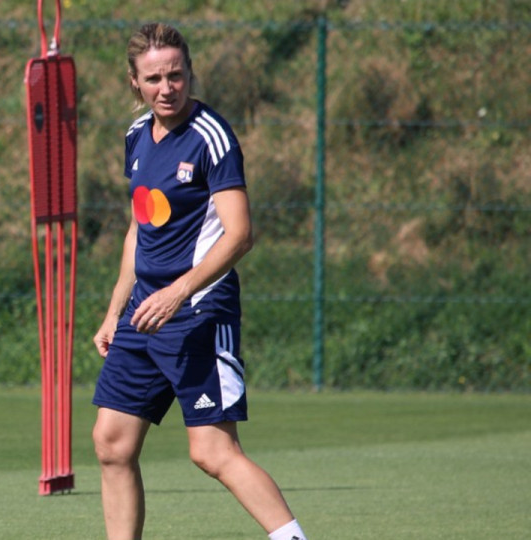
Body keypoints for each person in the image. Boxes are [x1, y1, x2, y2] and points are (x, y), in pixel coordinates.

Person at [91, 23, 308, 540]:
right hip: (145, 311)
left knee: (212, 452)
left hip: (198, 311)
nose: (167, 87)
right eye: (154, 78)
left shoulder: (212, 136)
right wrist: (114, 309)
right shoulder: (136, 136)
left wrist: (178, 291)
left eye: (175, 75)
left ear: (189, 73)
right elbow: (138, 228)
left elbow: (240, 234)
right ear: (134, 83)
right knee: (112, 443)